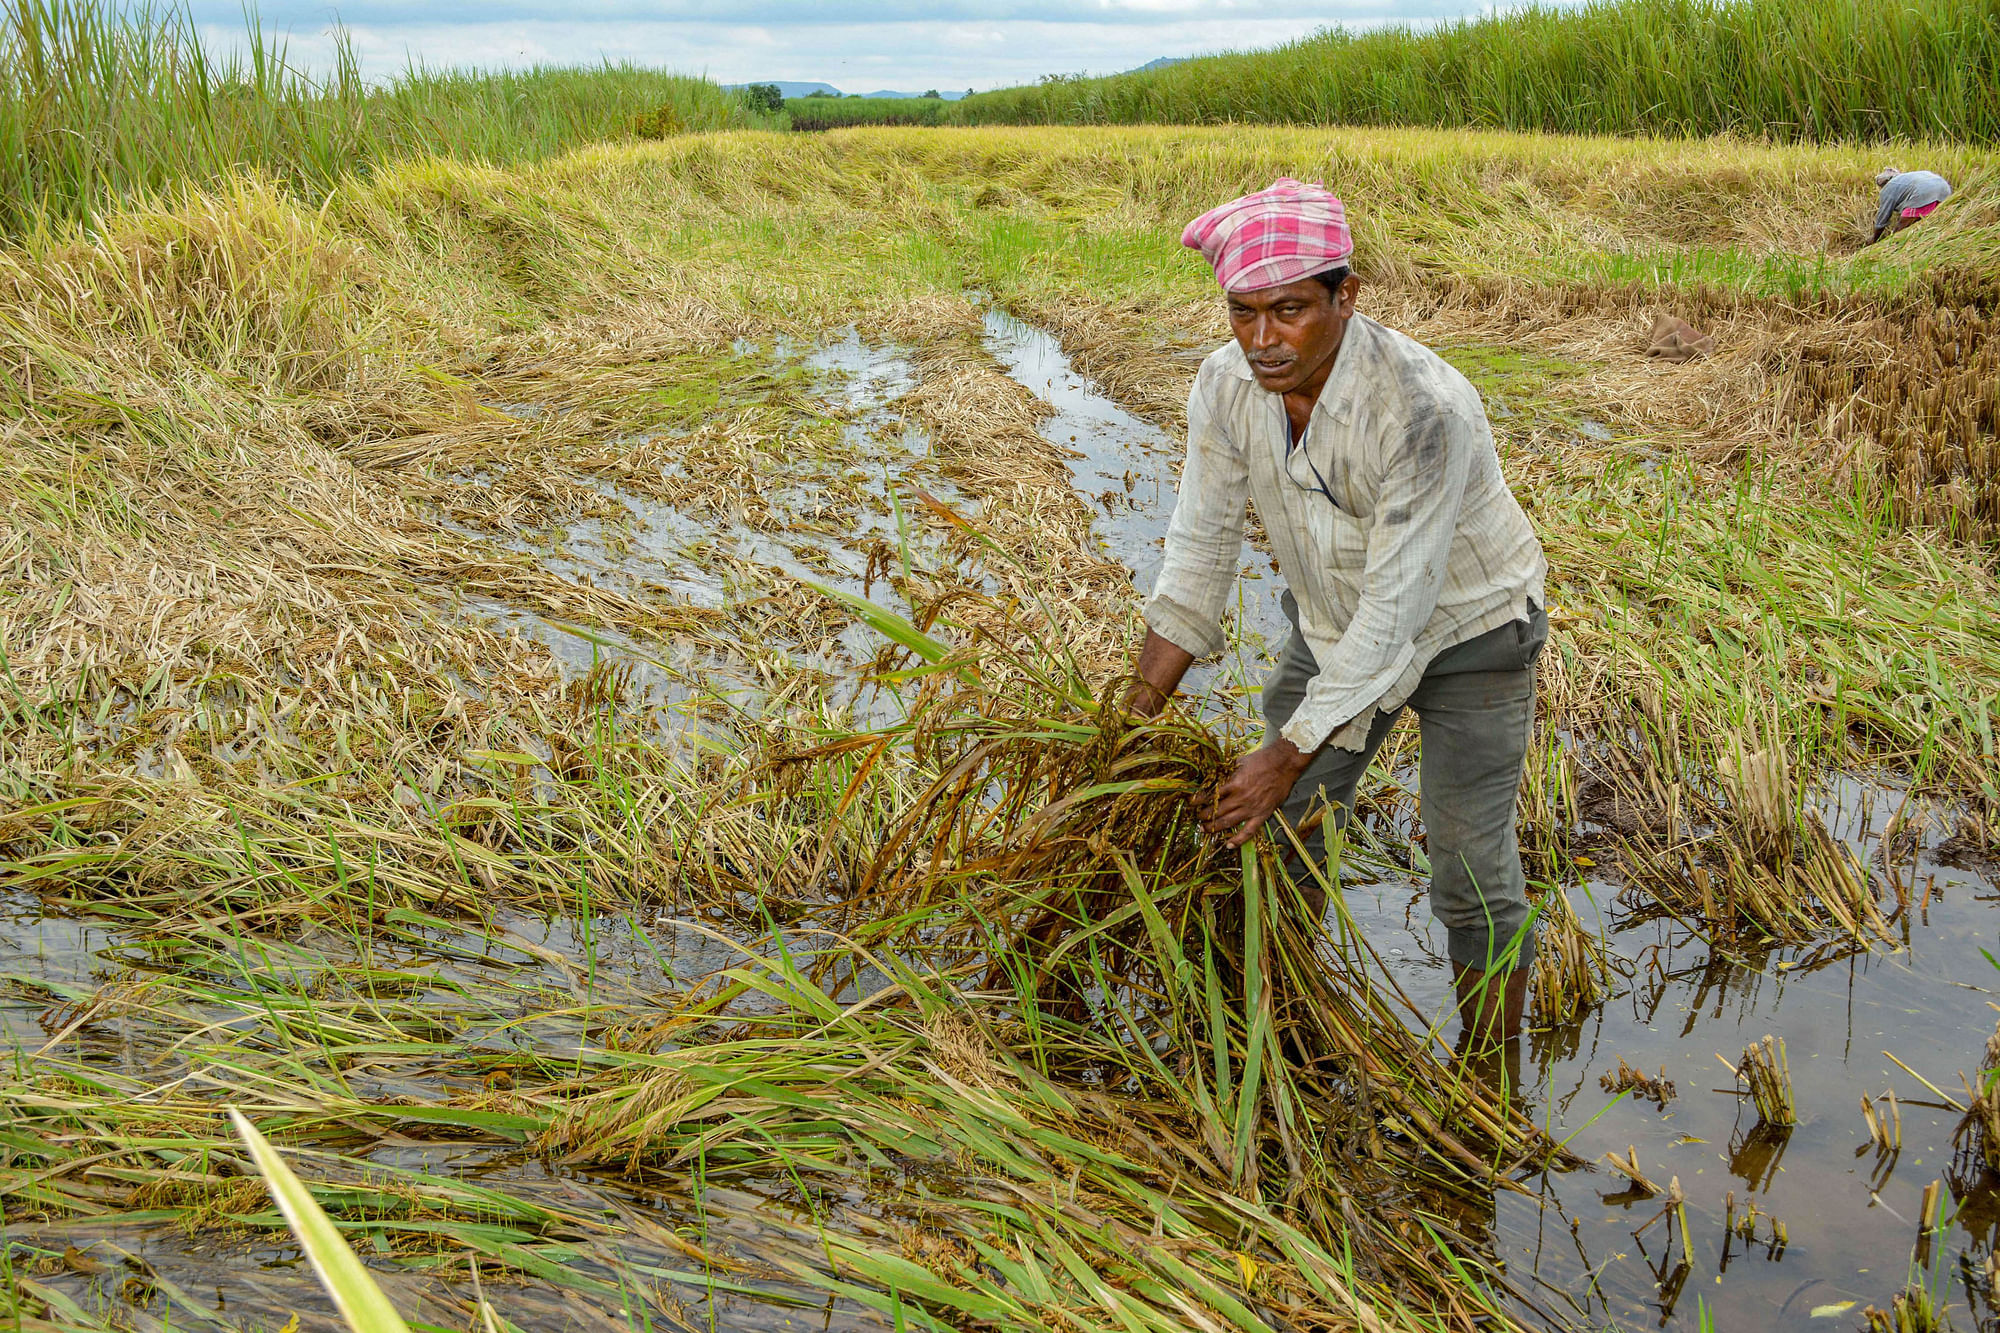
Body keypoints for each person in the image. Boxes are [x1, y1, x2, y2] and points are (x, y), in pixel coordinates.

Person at [1124, 178, 1549, 1045]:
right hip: (1333, 625)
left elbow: (1399, 614)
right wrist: (1128, 718)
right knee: (1274, 837)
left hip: (1472, 634)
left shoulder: (1420, 408)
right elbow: (1201, 549)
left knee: (1471, 870)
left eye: (1288, 310)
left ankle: (1491, 1086)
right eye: (1242, 313)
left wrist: (1287, 750)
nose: (1263, 340)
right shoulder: (1225, 387)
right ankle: (1274, 1040)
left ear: (1345, 296)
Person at [1869, 167, 1952, 244]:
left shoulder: (1888, 188)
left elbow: (1882, 217)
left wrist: (1874, 238)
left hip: (1924, 193)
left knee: (1899, 232)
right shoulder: (1906, 178)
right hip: (1945, 189)